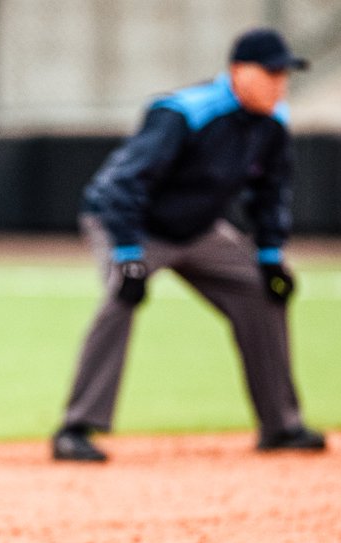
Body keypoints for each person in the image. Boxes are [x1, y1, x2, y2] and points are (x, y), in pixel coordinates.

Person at [51, 27, 326, 463]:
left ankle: (281, 426)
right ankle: (76, 427)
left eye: (284, 76)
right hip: (129, 222)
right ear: (238, 72)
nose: (279, 85)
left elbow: (272, 192)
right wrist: (128, 258)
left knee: (263, 292)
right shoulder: (185, 112)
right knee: (121, 297)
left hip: (198, 230)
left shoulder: (272, 122)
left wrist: (271, 256)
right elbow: (123, 184)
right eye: (271, 74)